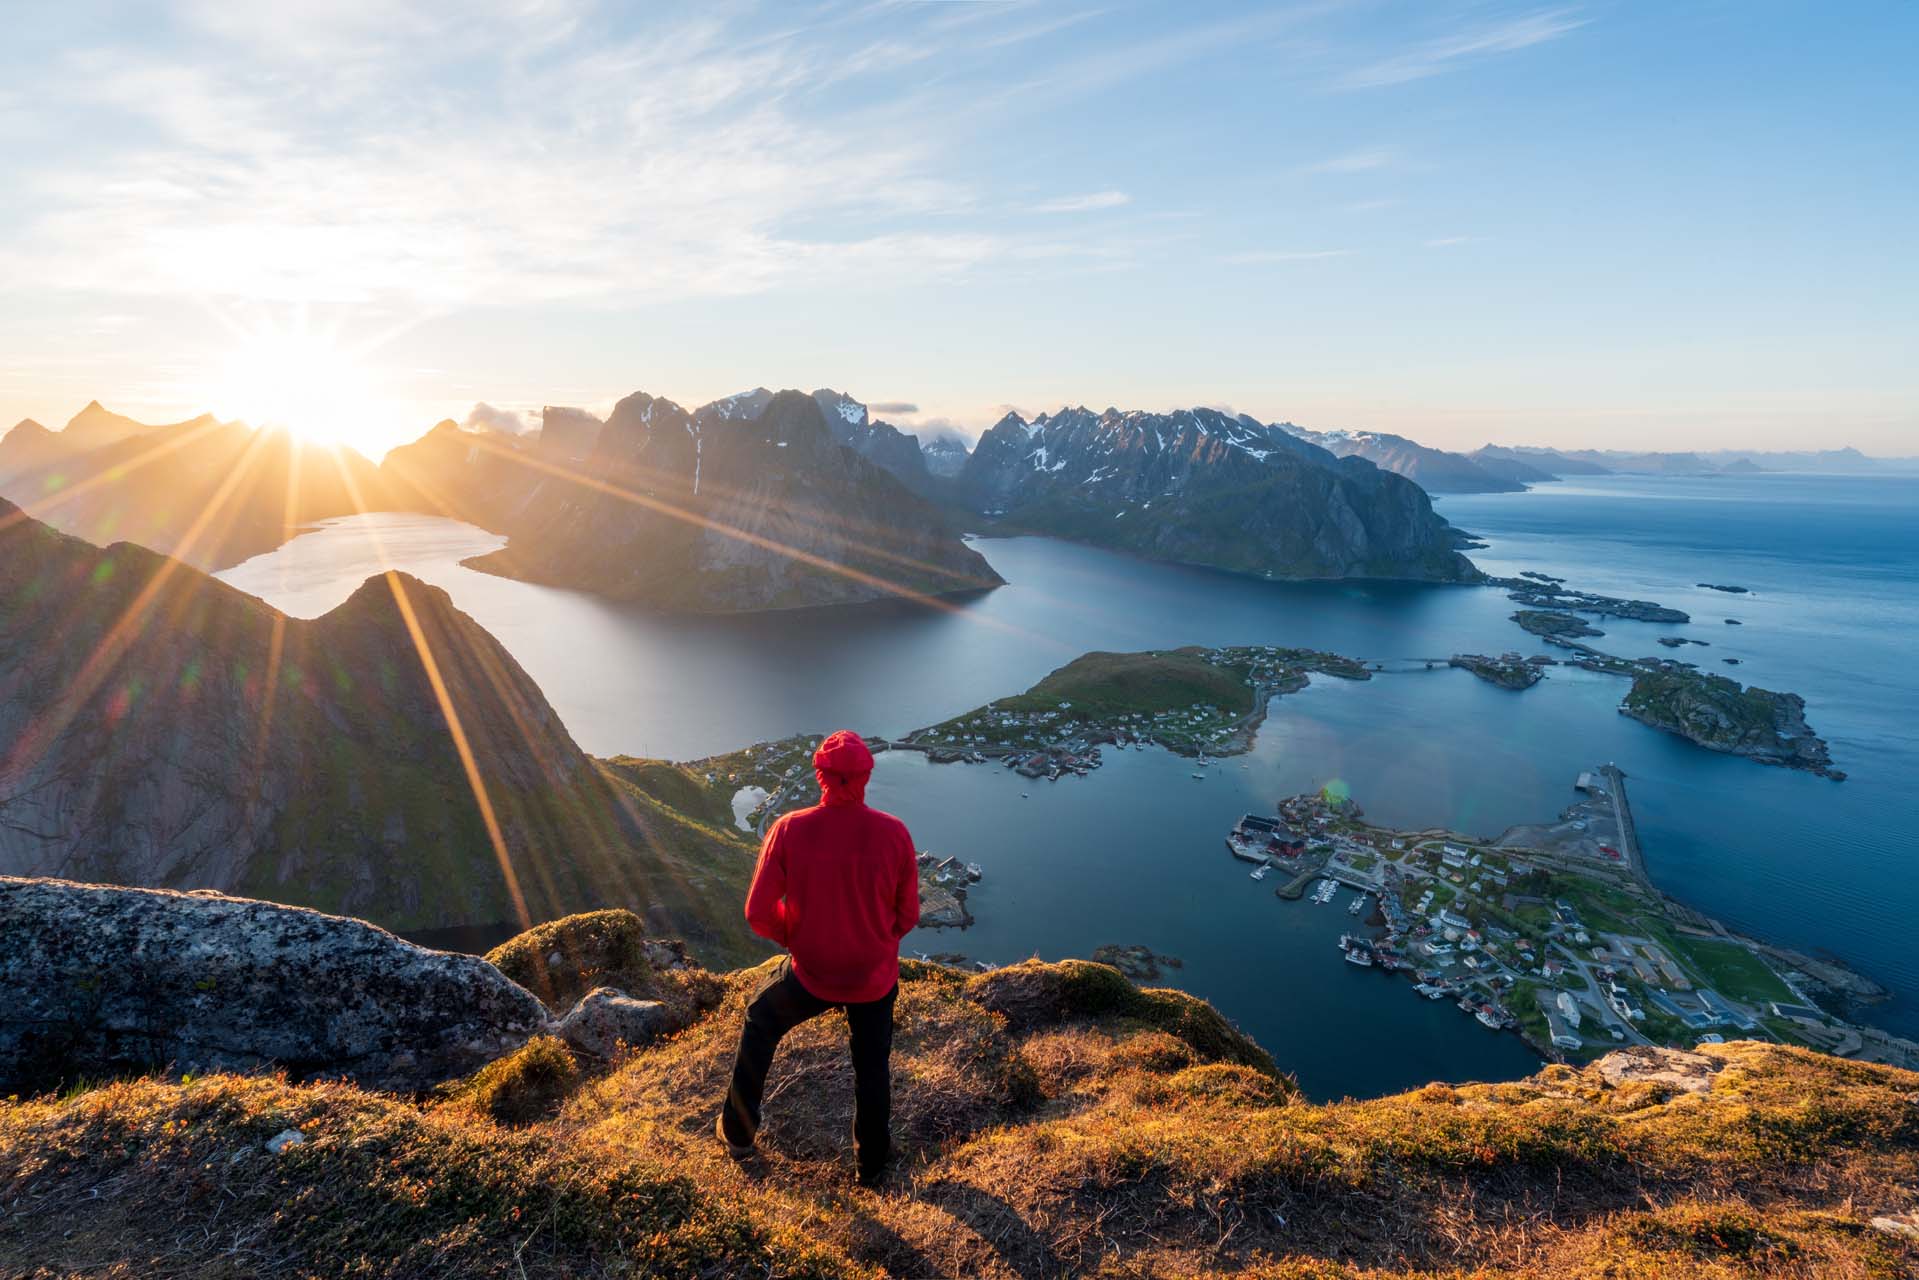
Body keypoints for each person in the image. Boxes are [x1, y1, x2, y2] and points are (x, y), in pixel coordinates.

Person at [717, 730, 919, 1186]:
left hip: (811, 973)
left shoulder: (790, 829)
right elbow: (907, 914)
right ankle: (871, 1167)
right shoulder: (894, 833)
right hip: (873, 976)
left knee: (760, 1019)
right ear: (866, 775)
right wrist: (877, 939)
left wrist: (796, 935)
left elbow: (757, 912)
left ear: (820, 775)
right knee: (871, 1067)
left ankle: (738, 1133)